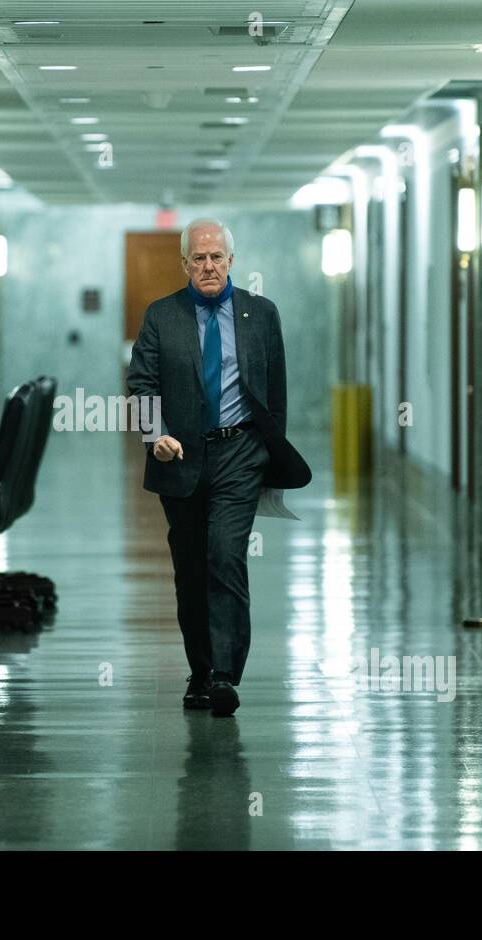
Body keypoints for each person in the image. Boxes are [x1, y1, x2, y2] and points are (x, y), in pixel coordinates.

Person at [126, 218, 310, 717]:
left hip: (240, 453)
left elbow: (276, 392)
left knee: (226, 557)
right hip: (180, 455)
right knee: (190, 569)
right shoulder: (162, 316)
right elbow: (140, 383)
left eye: (217, 257)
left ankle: (226, 675)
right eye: (199, 258)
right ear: (184, 264)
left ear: (232, 260)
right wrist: (153, 435)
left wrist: (270, 457)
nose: (208, 266)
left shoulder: (260, 313)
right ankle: (201, 671)